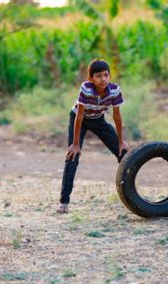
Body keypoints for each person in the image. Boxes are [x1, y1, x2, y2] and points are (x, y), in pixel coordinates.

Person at [57, 59, 129, 214]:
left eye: (106, 75)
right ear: (91, 79)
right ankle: (64, 201)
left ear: (110, 76)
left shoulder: (115, 90)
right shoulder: (86, 88)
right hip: (79, 119)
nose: (103, 79)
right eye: (98, 76)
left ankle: (132, 195)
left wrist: (121, 142)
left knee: (124, 154)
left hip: (98, 120)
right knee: (72, 156)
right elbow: (80, 115)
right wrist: (75, 144)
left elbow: (117, 116)